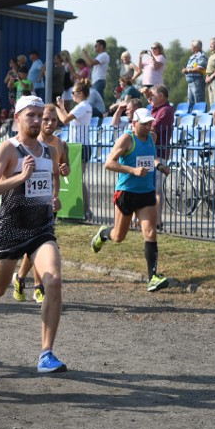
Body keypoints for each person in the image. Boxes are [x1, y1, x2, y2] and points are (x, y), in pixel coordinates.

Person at [0, 95, 66, 374]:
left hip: (41, 228)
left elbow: (53, 183)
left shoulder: (51, 151)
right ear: (18, 118)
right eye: (31, 115)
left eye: (40, 115)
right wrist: (19, 178)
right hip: (10, 228)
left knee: (54, 281)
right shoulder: (8, 150)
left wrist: (54, 199)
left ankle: (46, 354)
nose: (36, 121)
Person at [91, 108, 171, 292]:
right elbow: (109, 163)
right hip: (127, 192)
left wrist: (160, 167)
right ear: (134, 123)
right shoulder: (127, 139)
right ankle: (104, 234)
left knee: (150, 233)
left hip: (146, 192)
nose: (148, 127)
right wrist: (132, 170)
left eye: (149, 123)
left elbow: (150, 159)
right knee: (118, 237)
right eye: (144, 124)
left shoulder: (152, 137)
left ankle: (152, 277)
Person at [12, 103, 71, 304]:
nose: (48, 123)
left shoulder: (60, 144)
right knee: (34, 246)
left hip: (47, 202)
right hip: (25, 203)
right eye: (45, 119)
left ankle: (33, 284)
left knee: (40, 244)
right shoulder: (30, 140)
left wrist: (64, 171)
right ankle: (24, 279)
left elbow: (64, 170)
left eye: (53, 120)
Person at [56, 79, 94, 220]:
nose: (72, 95)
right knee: (76, 179)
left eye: (74, 93)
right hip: (78, 146)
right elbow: (68, 118)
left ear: (81, 93)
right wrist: (61, 108)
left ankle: (85, 210)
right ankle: (81, 209)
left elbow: (64, 120)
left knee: (78, 179)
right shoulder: (82, 106)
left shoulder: (83, 106)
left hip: (81, 147)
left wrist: (56, 109)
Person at [142, 84, 175, 227]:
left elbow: (152, 128)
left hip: (159, 153)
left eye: (153, 95)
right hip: (149, 153)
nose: (150, 98)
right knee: (151, 188)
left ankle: (157, 220)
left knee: (156, 189)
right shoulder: (153, 110)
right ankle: (151, 219)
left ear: (161, 96)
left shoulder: (166, 110)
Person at [182, 40, 208, 111]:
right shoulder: (192, 57)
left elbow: (200, 68)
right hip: (190, 82)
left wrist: (188, 70)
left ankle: (200, 120)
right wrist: (185, 70)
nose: (191, 48)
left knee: (198, 101)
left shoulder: (201, 56)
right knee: (190, 102)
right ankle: (191, 119)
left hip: (197, 81)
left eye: (192, 46)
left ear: (196, 47)